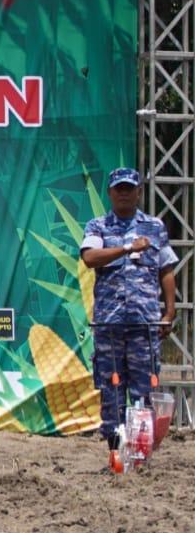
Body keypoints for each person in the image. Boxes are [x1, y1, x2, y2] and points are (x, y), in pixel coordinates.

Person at [80, 167, 176, 455]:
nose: (123, 193)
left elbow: (166, 270)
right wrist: (125, 248)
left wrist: (169, 313)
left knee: (144, 389)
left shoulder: (154, 227)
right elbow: (89, 257)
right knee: (111, 389)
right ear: (110, 193)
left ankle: (141, 450)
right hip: (109, 325)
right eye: (118, 188)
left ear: (139, 192)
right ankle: (115, 450)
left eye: (129, 188)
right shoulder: (98, 227)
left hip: (144, 324)